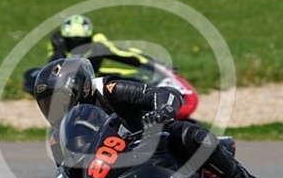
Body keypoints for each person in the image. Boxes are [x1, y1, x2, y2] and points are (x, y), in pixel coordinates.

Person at [32, 57, 274, 178]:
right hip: (113, 172)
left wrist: (163, 111)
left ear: (83, 87)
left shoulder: (107, 90)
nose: (56, 109)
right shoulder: (58, 136)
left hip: (154, 146)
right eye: (48, 104)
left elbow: (162, 94)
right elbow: (68, 172)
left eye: (60, 100)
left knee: (189, 134)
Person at [23, 15, 199, 121]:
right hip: (70, 82)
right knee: (32, 74)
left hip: (92, 78)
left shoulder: (98, 42)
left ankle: (149, 107)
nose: (77, 45)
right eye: (72, 42)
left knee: (135, 80)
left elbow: (123, 55)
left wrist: (156, 65)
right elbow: (52, 64)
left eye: (82, 41)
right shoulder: (57, 44)